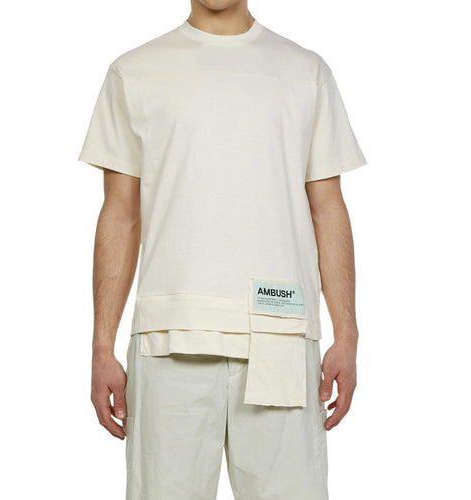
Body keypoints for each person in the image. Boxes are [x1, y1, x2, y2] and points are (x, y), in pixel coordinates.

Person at [78, 0, 367, 498]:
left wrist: (348, 332)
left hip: (280, 333)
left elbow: (328, 209)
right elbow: (120, 215)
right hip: (168, 339)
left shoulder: (305, 72)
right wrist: (101, 345)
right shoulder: (134, 72)